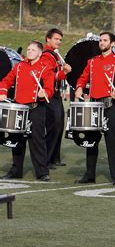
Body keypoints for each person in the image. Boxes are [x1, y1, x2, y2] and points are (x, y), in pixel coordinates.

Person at [74, 32, 115, 185]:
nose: (101, 43)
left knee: (112, 142)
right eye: (100, 40)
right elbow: (83, 78)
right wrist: (79, 87)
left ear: (112, 44)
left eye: (105, 40)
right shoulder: (92, 62)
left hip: (110, 106)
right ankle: (89, 175)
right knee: (91, 142)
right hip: (94, 106)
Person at [0, 41, 54, 181]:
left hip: (36, 108)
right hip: (19, 108)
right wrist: (3, 91)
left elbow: (49, 88)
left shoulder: (45, 68)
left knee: (37, 140)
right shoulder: (19, 66)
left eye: (33, 50)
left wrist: (45, 93)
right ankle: (16, 170)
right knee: (16, 140)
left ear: (40, 53)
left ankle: (42, 172)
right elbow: (5, 81)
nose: (29, 52)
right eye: (28, 49)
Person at [41, 28, 71, 169]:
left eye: (60, 39)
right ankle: (46, 159)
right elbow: (49, 77)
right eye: (56, 39)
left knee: (59, 125)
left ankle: (54, 157)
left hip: (56, 94)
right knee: (53, 126)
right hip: (50, 94)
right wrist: (64, 72)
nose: (59, 41)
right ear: (48, 39)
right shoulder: (47, 56)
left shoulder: (55, 55)